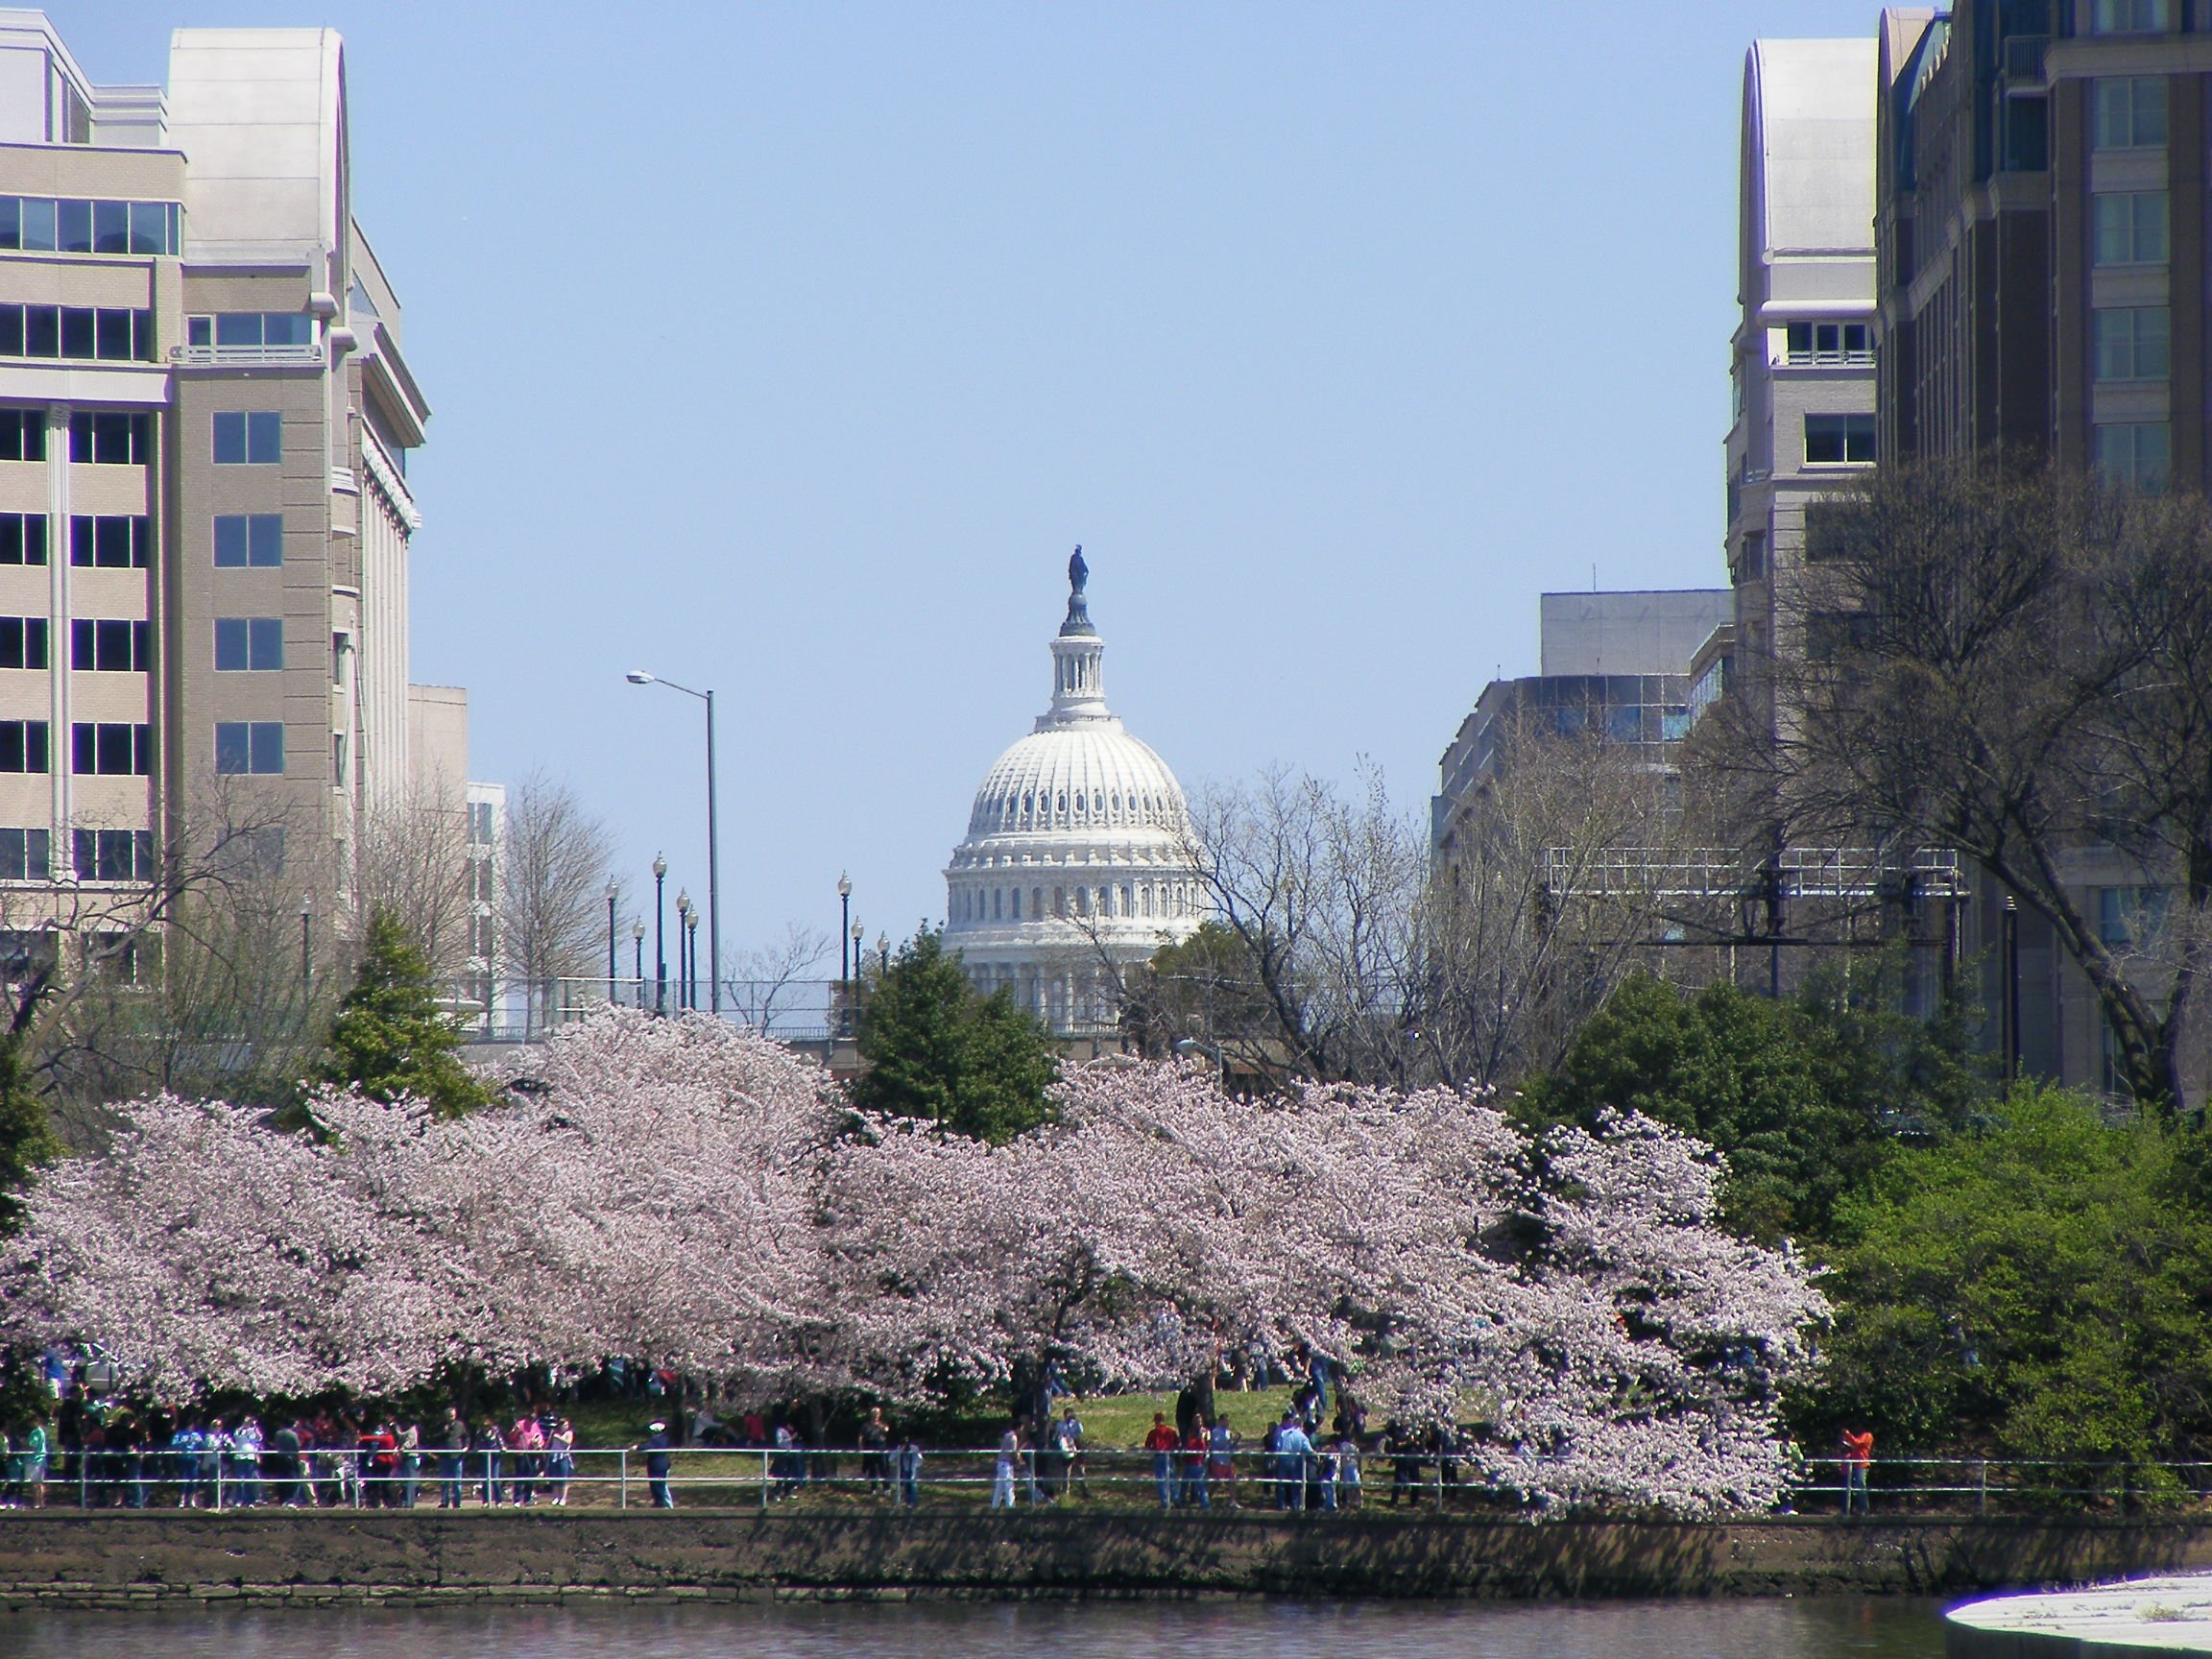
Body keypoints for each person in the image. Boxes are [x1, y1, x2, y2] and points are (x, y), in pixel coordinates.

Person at [1274, 1413, 1313, 1513]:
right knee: (1296, 1484)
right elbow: (1308, 1450)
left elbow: (1277, 1447)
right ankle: (1295, 1505)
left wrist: (1276, 1458)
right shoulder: (1301, 1436)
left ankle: (1281, 1505)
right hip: (1296, 1461)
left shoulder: (1281, 1433)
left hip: (1283, 1460)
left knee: (1281, 1484)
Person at [1143, 1412, 1180, 1509]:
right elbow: (1177, 1444)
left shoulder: (1153, 1432)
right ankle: (1176, 1499)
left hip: (1159, 1456)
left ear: (1155, 1421)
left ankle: (1165, 1502)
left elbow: (1148, 1446)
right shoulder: (1171, 1431)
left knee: (1161, 1480)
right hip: (1170, 1457)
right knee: (1171, 1479)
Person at [437, 1407, 468, 1508]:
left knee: (457, 1482)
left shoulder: (460, 1425)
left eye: (453, 1416)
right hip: (445, 1457)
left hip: (457, 1456)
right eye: (449, 1416)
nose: (451, 1418)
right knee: (445, 1481)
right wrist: (443, 1432)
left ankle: (457, 1503)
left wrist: (466, 1447)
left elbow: (466, 1436)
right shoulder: (441, 1426)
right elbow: (435, 1438)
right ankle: (444, 1502)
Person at [1840, 1428, 1874, 1517]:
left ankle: (1864, 1510)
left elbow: (1857, 1443)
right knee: (1849, 1488)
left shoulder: (1867, 1435)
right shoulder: (1858, 1436)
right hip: (1854, 1465)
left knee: (1860, 1485)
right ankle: (1848, 1510)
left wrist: (1847, 1434)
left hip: (1861, 1464)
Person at [1052, 1407, 1084, 1501]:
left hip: (1076, 1445)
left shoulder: (1077, 1424)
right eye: (1066, 1415)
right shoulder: (1060, 1425)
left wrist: (1072, 1423)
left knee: (1080, 1468)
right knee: (1066, 1470)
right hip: (1066, 1447)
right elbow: (1058, 1434)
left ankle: (1084, 1488)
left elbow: (1080, 1432)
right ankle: (1065, 1490)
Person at [644, 1419, 675, 1509]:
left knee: (659, 1485)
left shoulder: (657, 1440)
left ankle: (662, 1505)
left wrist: (637, 1447)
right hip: (660, 1464)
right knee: (659, 1485)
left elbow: (648, 1446)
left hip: (658, 1465)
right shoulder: (664, 1439)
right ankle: (662, 1504)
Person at [859, 1407, 890, 1498]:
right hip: (870, 1448)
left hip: (881, 1448)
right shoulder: (866, 1426)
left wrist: (882, 1427)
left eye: (877, 1414)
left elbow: (887, 1430)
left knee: (883, 1469)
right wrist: (861, 1447)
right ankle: (873, 1489)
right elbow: (861, 1436)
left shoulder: (882, 1425)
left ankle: (886, 1488)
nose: (876, 1416)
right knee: (872, 1470)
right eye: (874, 1414)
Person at [1207, 1418, 1237, 1509]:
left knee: (1232, 1481)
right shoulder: (1215, 1431)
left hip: (1228, 1460)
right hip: (1218, 1460)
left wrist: (1235, 1441)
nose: (1227, 1422)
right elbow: (1218, 1445)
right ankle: (1206, 1497)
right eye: (1225, 1420)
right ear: (1220, 1421)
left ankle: (1233, 1501)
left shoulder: (1228, 1432)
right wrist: (1229, 1440)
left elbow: (1230, 1447)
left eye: (1228, 1421)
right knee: (1217, 1482)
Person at [1180, 1418, 1210, 1510]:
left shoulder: (1196, 1442)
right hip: (1195, 1464)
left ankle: (1182, 1502)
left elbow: (1188, 1451)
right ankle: (1205, 1505)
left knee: (1188, 1485)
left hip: (1194, 1465)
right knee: (1198, 1486)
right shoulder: (1198, 1442)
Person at [991, 1421, 1021, 1509]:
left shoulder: (1006, 1435)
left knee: (999, 1487)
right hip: (1007, 1464)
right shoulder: (1014, 1437)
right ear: (1018, 1428)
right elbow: (1013, 1453)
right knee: (1009, 1486)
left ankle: (994, 1506)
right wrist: (1018, 1459)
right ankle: (1011, 1507)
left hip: (1000, 1463)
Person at [546, 1418, 575, 1506]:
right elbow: (549, 1443)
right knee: (554, 1478)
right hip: (554, 1456)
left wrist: (559, 1438)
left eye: (567, 1425)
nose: (566, 1426)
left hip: (563, 1457)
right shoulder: (554, 1432)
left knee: (563, 1479)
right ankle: (556, 1497)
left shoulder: (569, 1433)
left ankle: (563, 1498)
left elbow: (568, 1443)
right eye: (564, 1425)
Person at [896, 1436, 923, 1508]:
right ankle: (908, 1502)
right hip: (905, 1469)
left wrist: (915, 1466)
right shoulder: (899, 1448)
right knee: (906, 1485)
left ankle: (913, 1502)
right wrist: (899, 1452)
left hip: (913, 1468)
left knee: (913, 1485)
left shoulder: (915, 1448)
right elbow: (891, 1459)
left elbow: (920, 1460)